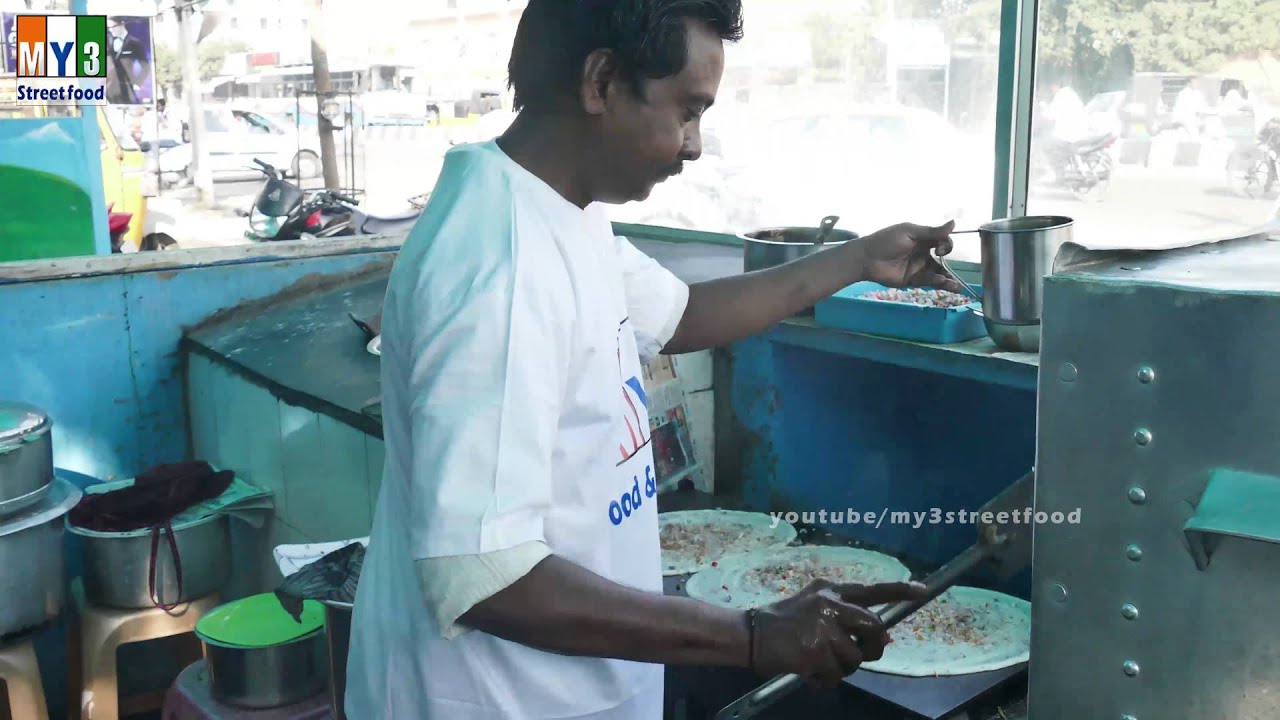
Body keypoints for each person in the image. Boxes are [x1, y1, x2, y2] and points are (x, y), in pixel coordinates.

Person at [344, 1, 960, 718]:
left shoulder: (562, 209)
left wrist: (854, 259)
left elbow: (682, 315)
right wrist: (754, 635)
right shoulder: (501, 270)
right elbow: (485, 576)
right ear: (601, 82)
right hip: (494, 700)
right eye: (688, 110)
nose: (693, 145)